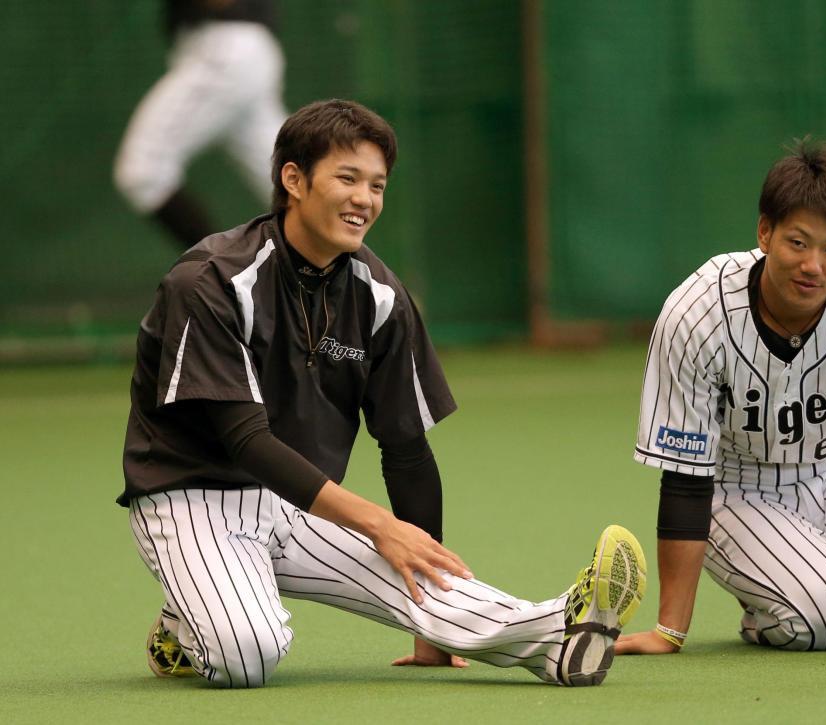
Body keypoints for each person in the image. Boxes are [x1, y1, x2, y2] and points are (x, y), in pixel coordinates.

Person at [117, 98, 646, 687]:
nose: (364, 199)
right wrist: (377, 524)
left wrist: (428, 628)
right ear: (293, 179)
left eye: (377, 185)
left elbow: (406, 449)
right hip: (190, 496)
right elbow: (246, 441)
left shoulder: (380, 296)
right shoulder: (211, 280)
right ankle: (184, 623)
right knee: (247, 654)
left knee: (419, 582)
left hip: (296, 504)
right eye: (347, 178)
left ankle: (558, 636)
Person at [617, 138, 826, 655]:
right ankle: (768, 606)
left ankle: (802, 562)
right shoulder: (696, 315)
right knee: (825, 614)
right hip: (735, 495)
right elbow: (687, 480)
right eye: (798, 243)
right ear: (764, 232)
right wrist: (670, 629)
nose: (813, 266)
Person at [114, 0, 287, 248]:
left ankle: (221, 278)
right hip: (242, 49)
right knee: (294, 187)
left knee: (144, 169)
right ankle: (342, 279)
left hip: (224, 48)